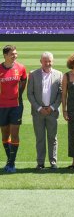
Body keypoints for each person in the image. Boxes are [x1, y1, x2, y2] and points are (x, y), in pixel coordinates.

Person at [27, 52, 63, 170]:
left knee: (53, 138)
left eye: (50, 61)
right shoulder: (33, 74)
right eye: (45, 61)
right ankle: (40, 163)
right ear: (41, 61)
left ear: (53, 61)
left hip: (52, 112)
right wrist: (39, 108)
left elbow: (60, 94)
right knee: (40, 138)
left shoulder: (59, 74)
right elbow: (30, 94)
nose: (48, 63)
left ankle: (53, 162)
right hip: (38, 112)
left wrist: (52, 107)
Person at [0, 45, 27, 173]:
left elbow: (23, 80)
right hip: (2, 106)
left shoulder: (21, 68)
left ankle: (11, 163)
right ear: (5, 55)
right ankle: (9, 159)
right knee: (5, 134)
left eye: (15, 53)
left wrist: (18, 95)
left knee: (15, 133)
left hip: (16, 105)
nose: (14, 56)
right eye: (12, 54)